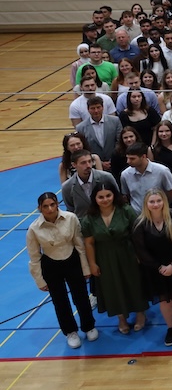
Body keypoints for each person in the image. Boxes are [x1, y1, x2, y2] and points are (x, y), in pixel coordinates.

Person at [28, 192, 98, 349]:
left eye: (52, 204)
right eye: (45, 206)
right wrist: (40, 280)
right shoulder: (34, 229)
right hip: (51, 265)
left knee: (81, 297)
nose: (50, 209)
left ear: (57, 204)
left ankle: (89, 326)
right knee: (60, 302)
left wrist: (85, 268)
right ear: (39, 208)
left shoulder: (71, 218)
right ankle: (70, 332)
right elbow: (34, 257)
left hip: (72, 261)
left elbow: (79, 244)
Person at [81, 182, 147, 333]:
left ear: (114, 195)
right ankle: (121, 318)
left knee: (134, 284)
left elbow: (137, 235)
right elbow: (89, 243)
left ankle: (140, 314)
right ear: (95, 198)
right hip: (105, 258)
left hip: (127, 253)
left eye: (108, 195)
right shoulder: (89, 218)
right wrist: (92, 263)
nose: (105, 200)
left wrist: (139, 255)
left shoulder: (126, 210)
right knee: (112, 288)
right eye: (101, 197)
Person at [132, 188, 172, 347]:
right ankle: (171, 328)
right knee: (164, 299)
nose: (155, 204)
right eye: (152, 201)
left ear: (164, 201)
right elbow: (141, 250)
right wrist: (159, 267)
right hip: (155, 269)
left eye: (158, 201)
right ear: (146, 204)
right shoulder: (140, 224)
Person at [61, 148, 119, 218]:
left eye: (90, 161)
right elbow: (71, 210)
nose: (88, 165)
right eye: (83, 163)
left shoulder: (106, 177)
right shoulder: (67, 187)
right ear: (74, 165)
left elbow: (118, 199)